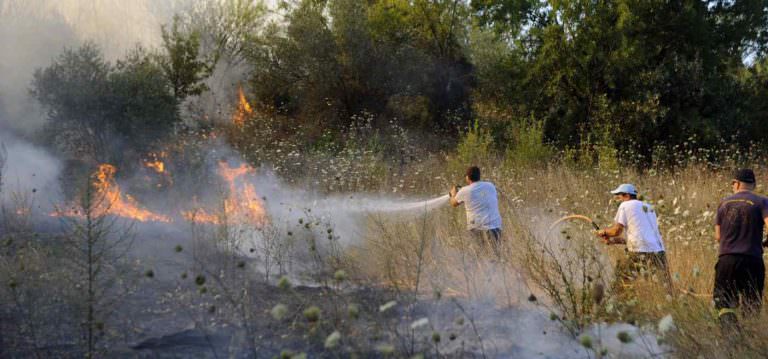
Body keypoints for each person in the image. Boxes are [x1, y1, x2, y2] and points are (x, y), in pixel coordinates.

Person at [713, 168, 768, 332]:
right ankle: (749, 341)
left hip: (727, 261)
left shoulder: (723, 203)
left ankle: (731, 336)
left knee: (723, 302)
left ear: (736, 184)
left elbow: (718, 236)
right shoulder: (762, 201)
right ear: (754, 184)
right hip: (752, 261)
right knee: (752, 304)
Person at [596, 183, 670, 290]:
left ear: (626, 195)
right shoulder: (648, 207)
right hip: (659, 251)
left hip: (639, 252)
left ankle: (620, 303)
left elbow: (616, 231)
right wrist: (613, 241)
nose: (619, 199)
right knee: (665, 286)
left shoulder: (625, 206)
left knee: (622, 283)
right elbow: (640, 237)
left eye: (619, 196)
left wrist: (604, 232)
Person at [449, 166, 502, 252]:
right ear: (479, 175)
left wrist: (453, 194)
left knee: (479, 254)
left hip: (476, 227)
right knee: (495, 253)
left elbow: (453, 203)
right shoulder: (490, 185)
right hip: (494, 226)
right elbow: (481, 194)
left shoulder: (464, 190)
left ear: (468, 177)